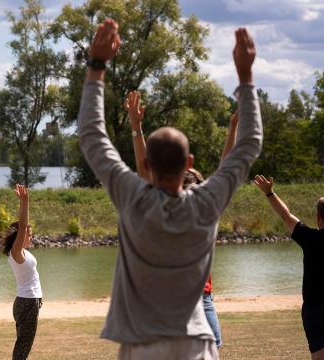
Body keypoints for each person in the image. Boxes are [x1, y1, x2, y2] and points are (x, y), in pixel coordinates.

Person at [78, 19, 260, 359]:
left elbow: (92, 136)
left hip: (144, 346)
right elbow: (249, 146)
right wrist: (246, 78)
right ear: (188, 161)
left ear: (145, 165)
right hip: (197, 345)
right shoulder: (206, 204)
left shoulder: (132, 197)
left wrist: (97, 65)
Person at [125, 90, 241, 349]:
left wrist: (234, 126)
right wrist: (136, 129)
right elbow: (146, 172)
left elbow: (227, 165)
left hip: (202, 299)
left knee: (213, 345)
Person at [253, 174, 324, 359]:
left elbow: (286, 216)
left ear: (319, 219)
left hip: (314, 310)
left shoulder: (311, 239)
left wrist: (269, 193)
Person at [1, 184, 42, 360]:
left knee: (24, 344)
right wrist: (25, 201)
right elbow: (23, 224)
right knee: (24, 345)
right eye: (28, 234)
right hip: (27, 302)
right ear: (20, 235)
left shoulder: (22, 252)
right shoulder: (16, 251)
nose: (30, 237)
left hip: (28, 301)